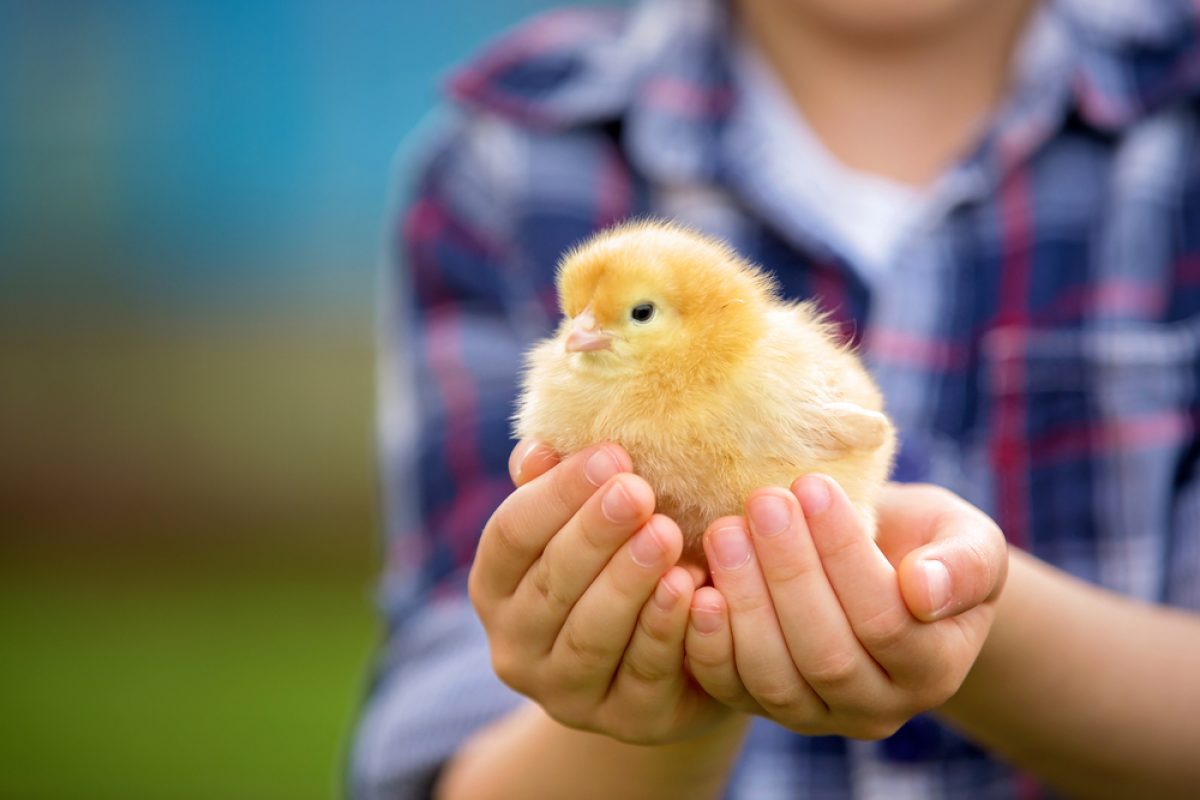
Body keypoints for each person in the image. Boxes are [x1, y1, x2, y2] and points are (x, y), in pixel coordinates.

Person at [351, 0, 1200, 797]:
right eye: (576, 319)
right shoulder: (506, 158)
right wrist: (646, 691)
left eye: (633, 316)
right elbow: (448, 750)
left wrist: (964, 610)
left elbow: (852, 430)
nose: (578, 336)